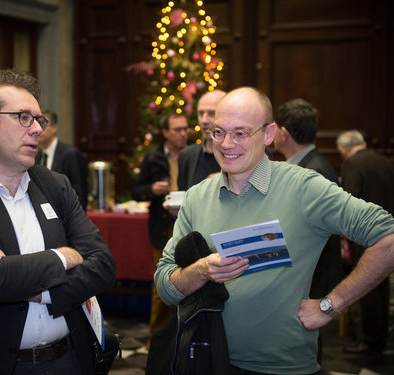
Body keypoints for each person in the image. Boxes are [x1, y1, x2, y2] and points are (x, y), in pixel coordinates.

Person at [154, 87, 394, 375]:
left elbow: (388, 237)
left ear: (268, 135)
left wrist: (331, 304)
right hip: (206, 360)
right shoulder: (197, 197)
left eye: (241, 133)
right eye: (218, 132)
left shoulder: (304, 188)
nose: (226, 143)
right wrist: (201, 271)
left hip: (281, 367)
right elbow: (165, 286)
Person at [0, 70, 117, 375]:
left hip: (69, 360)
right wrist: (63, 256)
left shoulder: (56, 185)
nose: (37, 129)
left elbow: (104, 266)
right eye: (22, 117)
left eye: (38, 120)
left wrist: (42, 291)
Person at [274, 98, 344, 299]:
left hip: (317, 275)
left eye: (276, 128)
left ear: (284, 134)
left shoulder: (314, 170)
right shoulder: (307, 164)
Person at [337, 129, 394, 354]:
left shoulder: (352, 163)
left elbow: (349, 199)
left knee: (366, 284)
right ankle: (380, 335)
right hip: (389, 229)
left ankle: (369, 339)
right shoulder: (385, 160)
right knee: (382, 284)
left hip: (364, 233)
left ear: (343, 149)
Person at [131, 113, 188, 337]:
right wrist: (150, 190)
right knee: (162, 283)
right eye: (177, 130)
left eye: (185, 129)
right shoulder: (153, 157)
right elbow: (136, 191)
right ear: (165, 132)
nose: (183, 134)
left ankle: (182, 334)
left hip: (189, 223)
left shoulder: (193, 155)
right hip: (162, 226)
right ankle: (158, 337)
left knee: (189, 280)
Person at [36, 109, 88, 210]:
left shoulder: (70, 154)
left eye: (43, 124)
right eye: (37, 124)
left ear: (54, 128)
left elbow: (80, 193)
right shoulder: (37, 155)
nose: (39, 129)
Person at [177, 90, 226, 191]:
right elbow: (183, 196)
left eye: (212, 113)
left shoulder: (247, 152)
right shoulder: (186, 155)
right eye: (201, 113)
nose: (204, 120)